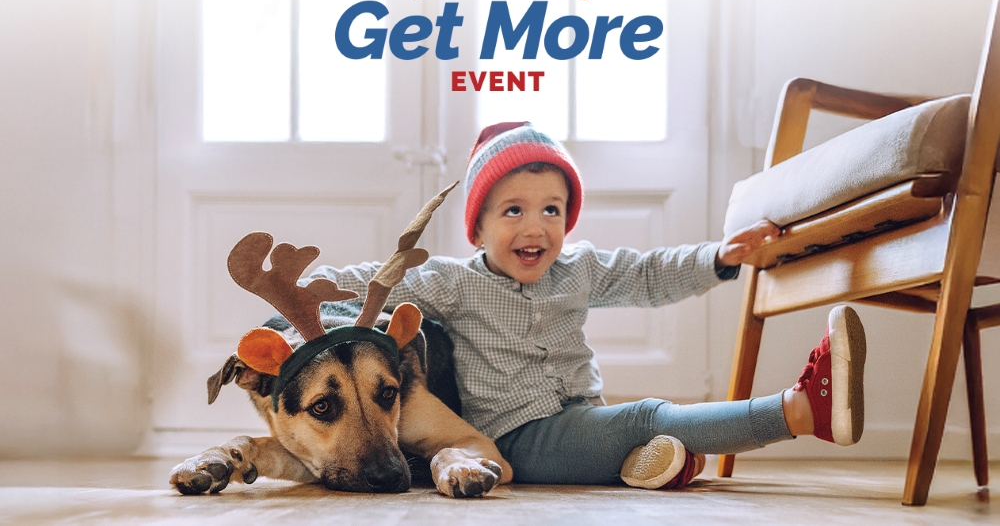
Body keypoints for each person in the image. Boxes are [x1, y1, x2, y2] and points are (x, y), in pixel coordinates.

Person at [307, 121, 866, 490]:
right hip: (520, 439)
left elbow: (648, 275)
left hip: (582, 414)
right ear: (476, 229)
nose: (536, 227)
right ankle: (800, 410)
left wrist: (719, 256)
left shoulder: (580, 269)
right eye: (513, 212)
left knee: (633, 427)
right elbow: (378, 281)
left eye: (552, 210)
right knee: (647, 415)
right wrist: (315, 287)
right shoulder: (454, 282)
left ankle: (651, 464)